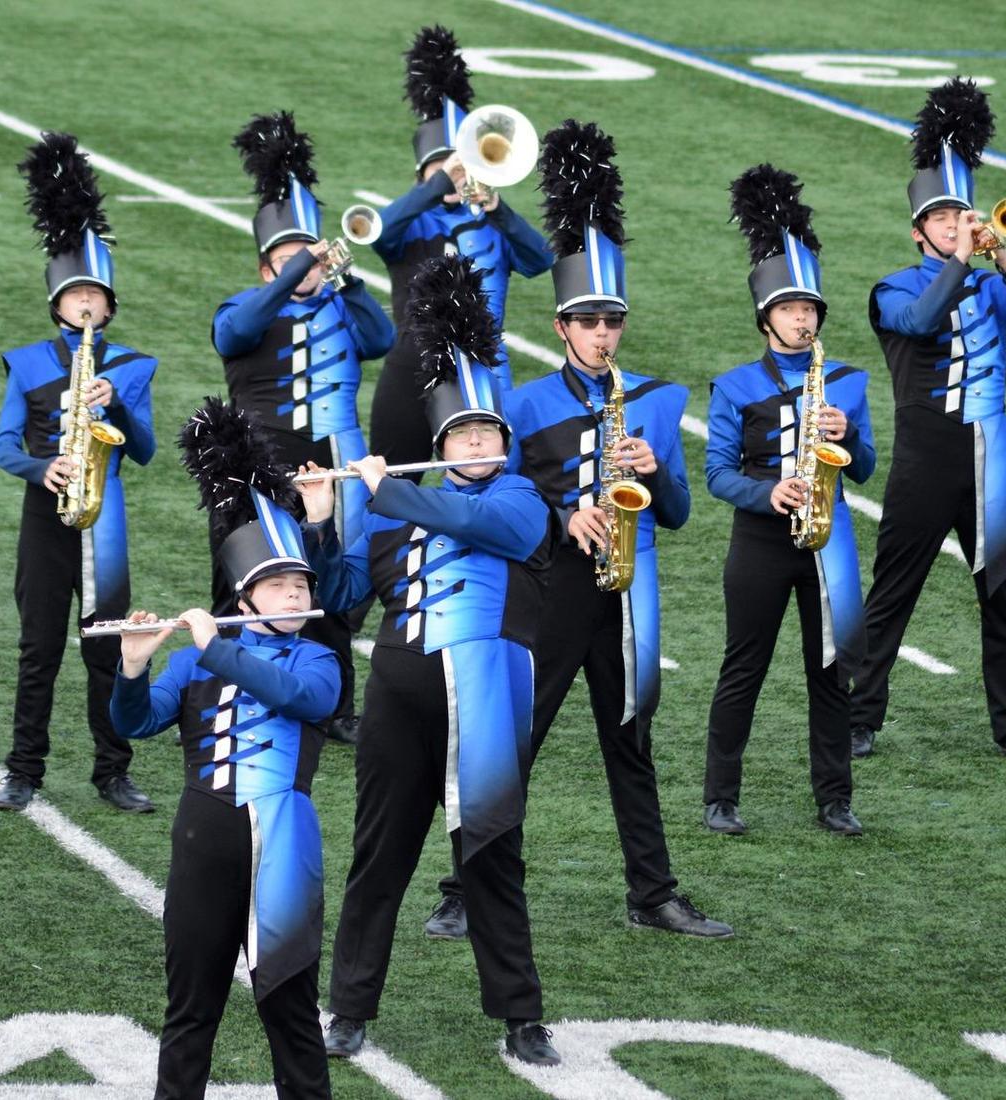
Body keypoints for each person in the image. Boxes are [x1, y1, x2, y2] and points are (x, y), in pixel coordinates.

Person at [435, 119, 730, 943]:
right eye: (589, 320)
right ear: (562, 326)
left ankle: (653, 894)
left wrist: (653, 468)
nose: (604, 333)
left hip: (632, 593)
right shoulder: (523, 407)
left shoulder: (659, 401)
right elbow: (506, 502)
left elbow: (675, 513)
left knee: (632, 744)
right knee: (516, 740)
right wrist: (566, 511)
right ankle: (465, 885)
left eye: (614, 320)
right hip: (554, 589)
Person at [313, 254, 560, 1068]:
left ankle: (522, 1016)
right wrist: (323, 522)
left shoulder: (519, 500)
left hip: (484, 702)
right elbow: (347, 589)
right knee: (377, 858)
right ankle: (349, 1009)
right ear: (443, 442)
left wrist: (385, 491)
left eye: (488, 433)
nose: (477, 442)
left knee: (491, 858)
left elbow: (495, 532)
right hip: (398, 699)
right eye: (462, 434)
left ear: (504, 443)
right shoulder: (391, 514)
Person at [112, 398, 340, 1100]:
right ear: (246, 600)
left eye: (300, 583)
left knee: (291, 1011)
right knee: (191, 1011)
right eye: (279, 585)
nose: (295, 593)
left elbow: (304, 701)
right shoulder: (193, 663)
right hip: (205, 835)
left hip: (285, 838)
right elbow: (135, 723)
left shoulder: (318, 660)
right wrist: (132, 665)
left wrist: (219, 650)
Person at [849, 78, 1006, 761]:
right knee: (895, 593)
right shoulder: (894, 287)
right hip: (926, 455)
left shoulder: (989, 281)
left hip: (990, 455)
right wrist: (965, 264)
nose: (954, 225)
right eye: (942, 219)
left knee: (1001, 594)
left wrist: (1004, 257)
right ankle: (860, 718)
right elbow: (916, 322)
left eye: (959, 215)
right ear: (919, 232)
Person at [703, 165, 876, 836]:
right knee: (743, 667)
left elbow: (864, 468)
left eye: (810, 310)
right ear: (766, 317)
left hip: (829, 539)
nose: (803, 318)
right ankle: (721, 794)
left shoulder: (846, 382)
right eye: (790, 309)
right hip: (761, 542)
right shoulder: (735, 386)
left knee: (832, 671)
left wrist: (847, 431)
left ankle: (835, 796)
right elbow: (717, 473)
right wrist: (766, 490)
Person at [0, 133, 159, 815]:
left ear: (110, 304)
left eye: (96, 294)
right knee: (39, 652)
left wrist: (117, 403)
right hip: (47, 513)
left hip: (107, 517)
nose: (87, 304)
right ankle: (23, 769)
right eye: (75, 294)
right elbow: (3, 445)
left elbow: (144, 450)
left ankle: (112, 770)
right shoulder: (29, 362)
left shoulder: (133, 366)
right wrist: (44, 466)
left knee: (106, 648)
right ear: (57, 303)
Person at [217, 110, 396, 743]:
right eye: (289, 260)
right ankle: (229, 685)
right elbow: (233, 334)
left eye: (310, 258)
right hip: (256, 457)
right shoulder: (244, 307)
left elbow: (383, 338)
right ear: (266, 267)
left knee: (329, 580)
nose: (305, 268)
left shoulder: (338, 302)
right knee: (245, 576)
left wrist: (344, 279)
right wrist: (299, 268)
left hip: (336, 456)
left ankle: (334, 701)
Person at [367, 25, 553, 472]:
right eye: (440, 166)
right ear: (422, 176)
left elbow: (540, 258)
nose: (454, 174)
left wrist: (497, 206)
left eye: (460, 163)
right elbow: (377, 233)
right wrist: (436, 186)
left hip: (487, 368)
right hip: (412, 365)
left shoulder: (492, 220)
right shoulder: (412, 223)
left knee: (491, 479)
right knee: (396, 479)